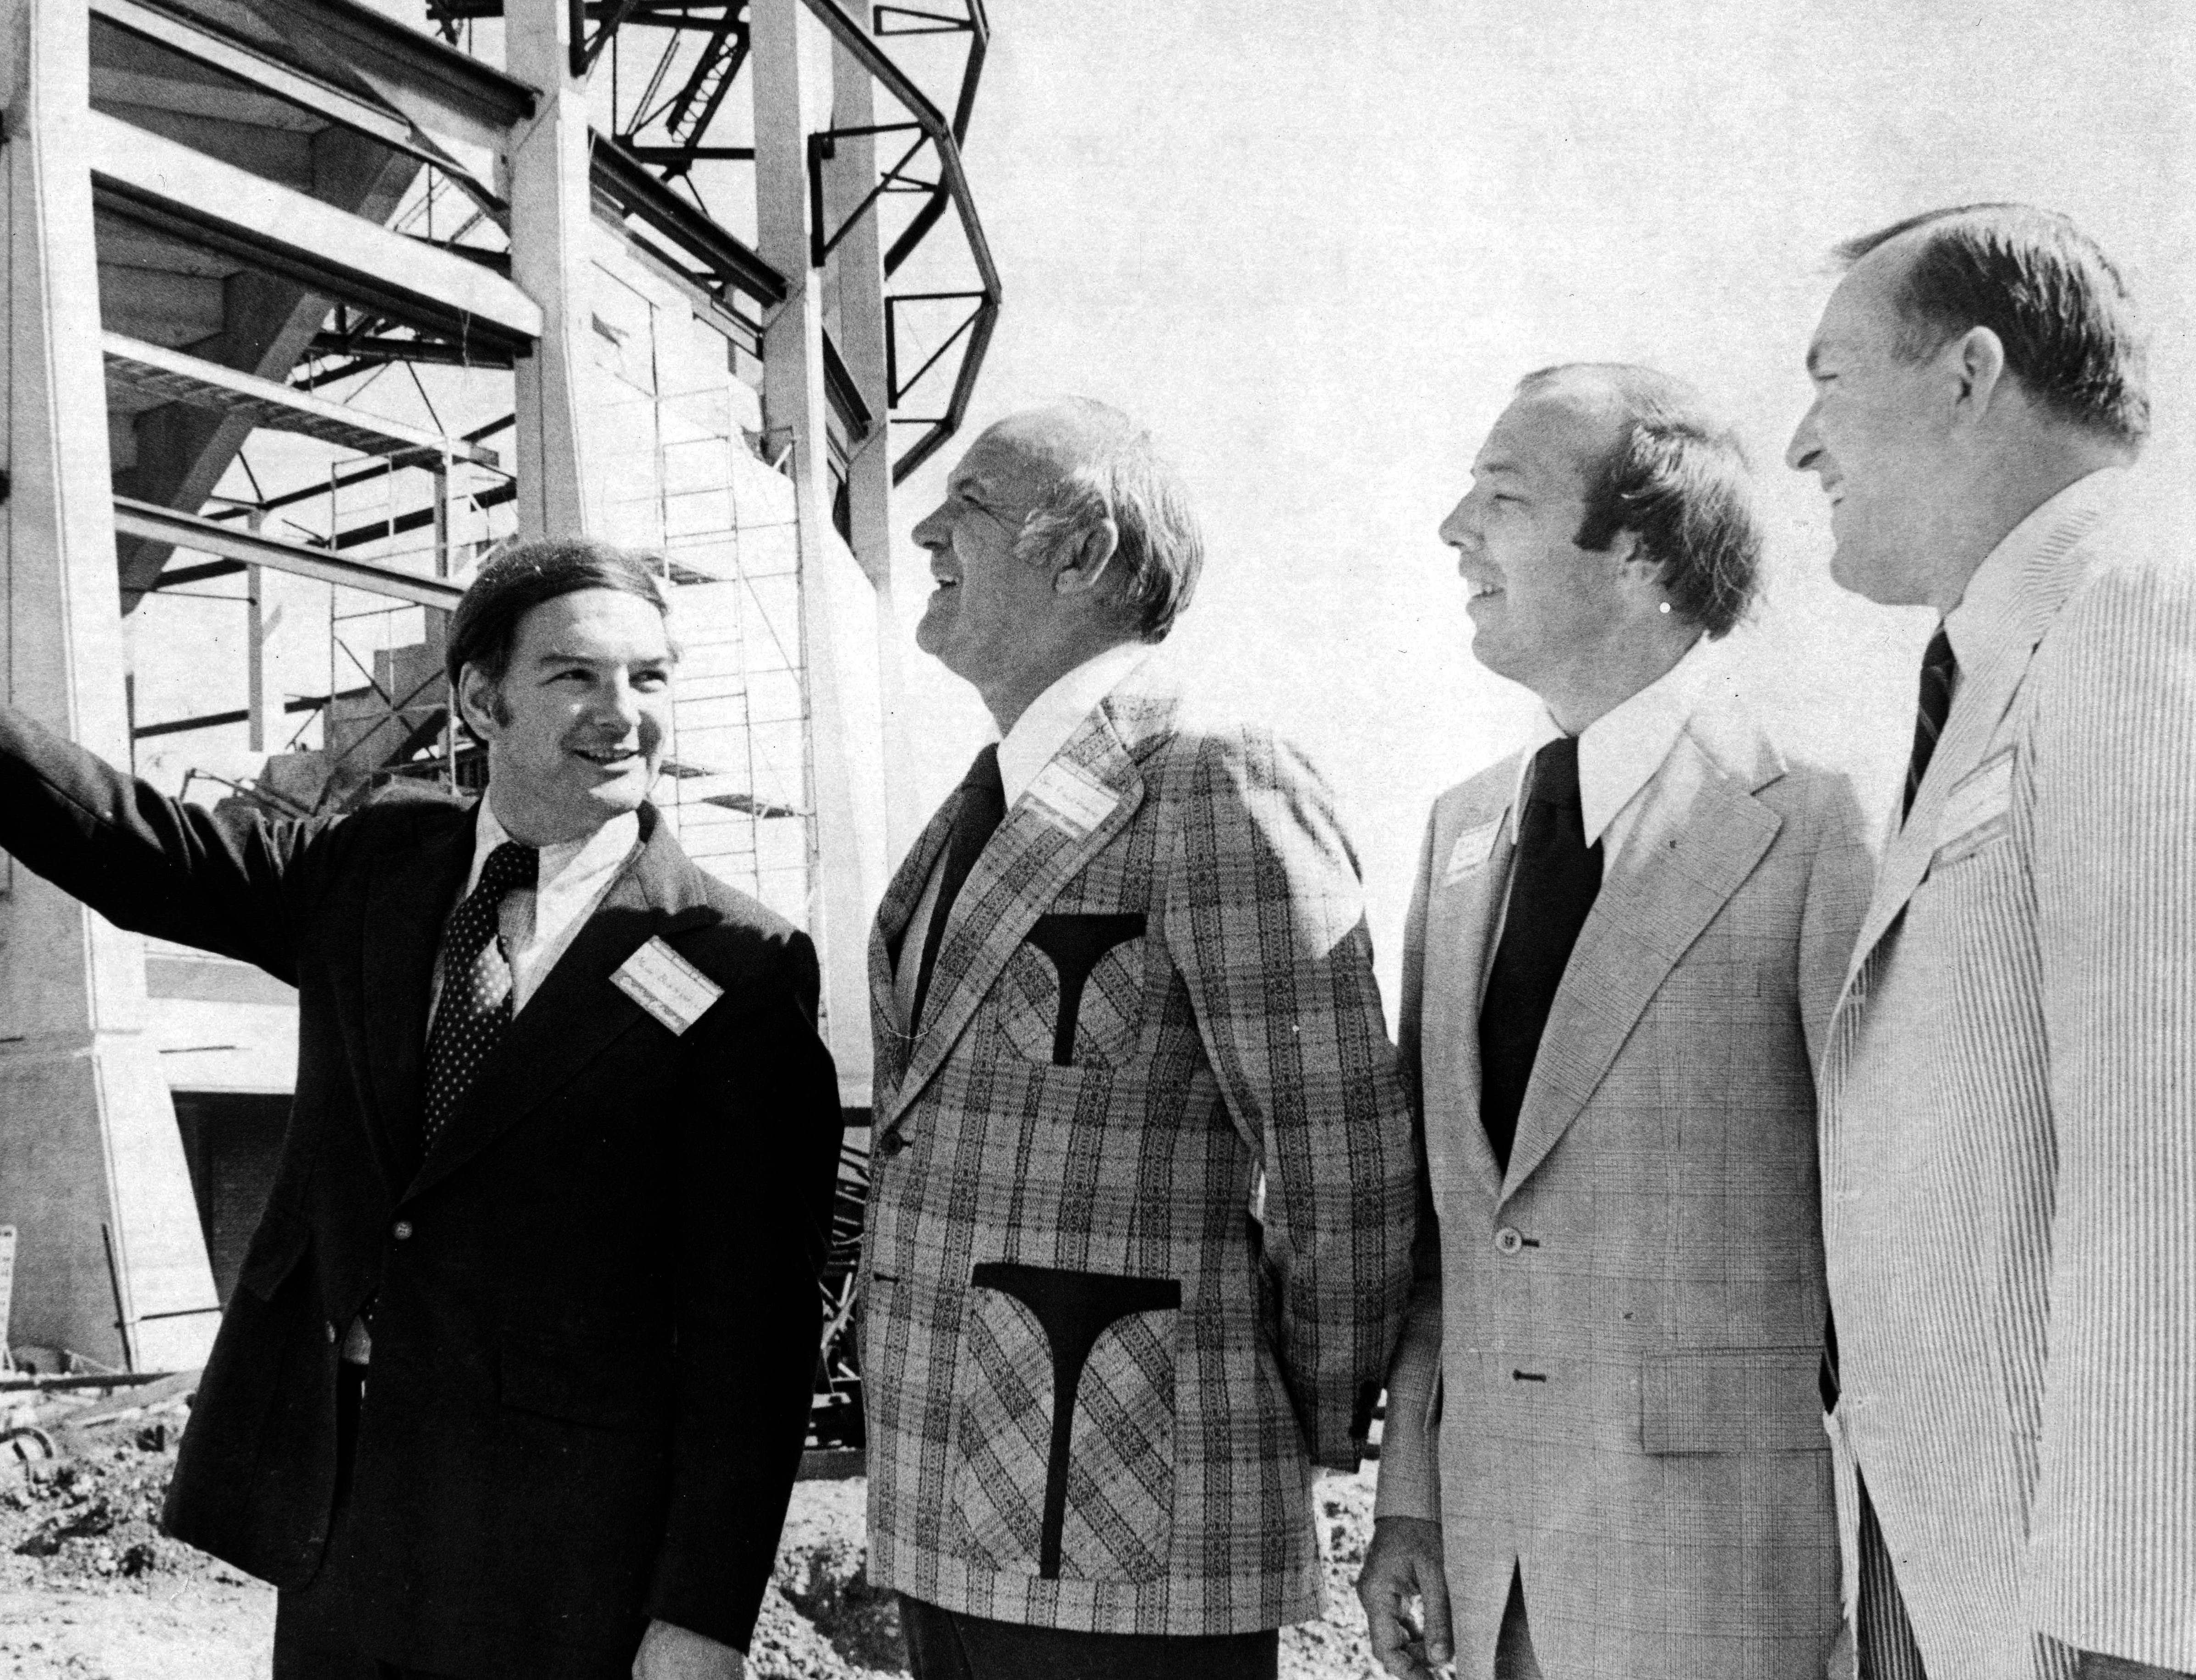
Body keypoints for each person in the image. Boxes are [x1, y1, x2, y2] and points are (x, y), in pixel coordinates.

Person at [0, 519, 844, 1680]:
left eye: (649, 678)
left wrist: (703, 1615)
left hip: (569, 1555)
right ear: (480, 699)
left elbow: (756, 1334)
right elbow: (125, 837)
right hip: (343, 1523)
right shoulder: (374, 868)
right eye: (575, 676)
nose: (622, 714)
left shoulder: (735, 960)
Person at [859, 397, 1418, 1680]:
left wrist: (1268, 1412)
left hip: (1133, 1518)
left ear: (1083, 553)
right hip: (951, 1508)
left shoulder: (1213, 773)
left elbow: (1337, 1155)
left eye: (969, 504)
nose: (926, 530)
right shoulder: (981, 804)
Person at [1353, 365, 1871, 1680]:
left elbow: (1888, 1244)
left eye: (1504, 496)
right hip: (1490, 1580)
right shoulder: (1463, 828)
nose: (1453, 528)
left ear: (1641, 553)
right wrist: (1410, 1495)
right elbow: (1450, 1225)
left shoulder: (1820, 817)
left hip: (1724, 1582)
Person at [1788, 205, 2196, 1680]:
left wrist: (2142, 1618)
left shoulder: (2135, 614)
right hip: (1956, 1558)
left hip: (2082, 1607)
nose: (1802, 444)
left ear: (1968, 374)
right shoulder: (1997, 659)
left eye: (1830, 380)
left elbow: (2167, 1154)